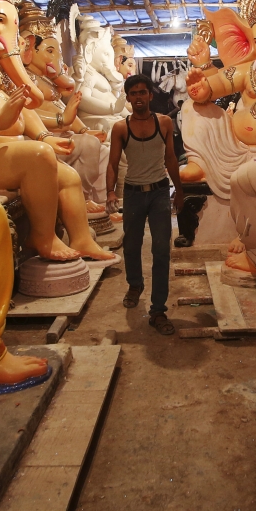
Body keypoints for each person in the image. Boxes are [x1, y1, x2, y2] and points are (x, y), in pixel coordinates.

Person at [106, 74, 184, 334]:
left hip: (160, 192)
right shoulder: (120, 128)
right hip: (133, 193)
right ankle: (135, 284)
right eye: (134, 93)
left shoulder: (163, 123)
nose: (138, 97)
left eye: (143, 92)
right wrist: (109, 193)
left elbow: (171, 158)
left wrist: (180, 191)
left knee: (162, 250)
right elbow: (112, 163)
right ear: (128, 97)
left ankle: (158, 309)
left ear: (150, 95)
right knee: (131, 244)